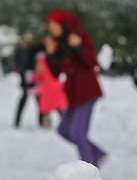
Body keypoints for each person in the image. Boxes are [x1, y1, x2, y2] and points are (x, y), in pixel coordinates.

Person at [44, 9, 106, 167]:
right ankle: (97, 153)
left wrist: (79, 47)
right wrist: (50, 54)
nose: (50, 27)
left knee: (78, 133)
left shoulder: (80, 38)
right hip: (72, 94)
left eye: (53, 24)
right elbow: (56, 73)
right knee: (63, 130)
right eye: (49, 24)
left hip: (87, 91)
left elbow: (92, 63)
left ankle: (90, 170)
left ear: (63, 25)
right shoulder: (57, 43)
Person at [13, 33, 47, 128]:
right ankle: (17, 121)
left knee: (39, 100)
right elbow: (19, 65)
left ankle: (41, 121)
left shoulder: (31, 50)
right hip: (26, 78)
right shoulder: (20, 51)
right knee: (25, 99)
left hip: (34, 78)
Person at [32, 52, 68, 124]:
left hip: (47, 90)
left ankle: (46, 123)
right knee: (59, 106)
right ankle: (65, 121)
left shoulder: (40, 65)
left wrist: (32, 76)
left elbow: (37, 78)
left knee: (46, 108)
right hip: (57, 87)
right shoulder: (52, 63)